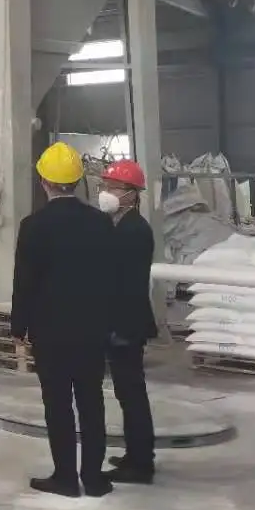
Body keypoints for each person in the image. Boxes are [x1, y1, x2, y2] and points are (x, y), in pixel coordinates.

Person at [11, 142, 117, 498]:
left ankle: (66, 478)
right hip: (92, 330)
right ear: (78, 181)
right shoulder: (100, 223)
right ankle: (94, 479)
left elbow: (25, 282)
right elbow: (112, 279)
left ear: (43, 181)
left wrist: (18, 327)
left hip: (50, 332)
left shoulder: (33, 226)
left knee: (57, 405)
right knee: (91, 403)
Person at [97, 159, 159, 484]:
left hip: (126, 324)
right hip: (121, 322)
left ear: (132, 194)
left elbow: (126, 285)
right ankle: (135, 454)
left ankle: (141, 463)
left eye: (114, 187)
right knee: (126, 393)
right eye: (105, 185)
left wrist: (116, 327)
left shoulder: (135, 230)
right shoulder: (118, 224)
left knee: (132, 394)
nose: (107, 192)